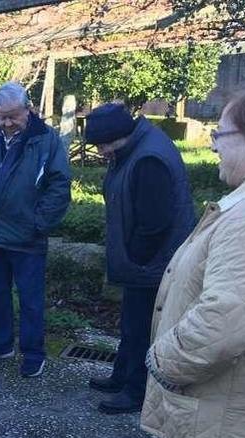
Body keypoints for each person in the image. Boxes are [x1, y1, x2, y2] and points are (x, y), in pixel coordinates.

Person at [142, 81, 245, 438]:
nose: (214, 144)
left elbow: (226, 322)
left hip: (235, 431)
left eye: (221, 133)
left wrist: (162, 361)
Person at [83, 103, 196, 414]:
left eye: (104, 145)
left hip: (152, 264)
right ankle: (121, 377)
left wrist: (134, 257)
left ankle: (136, 392)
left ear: (118, 136)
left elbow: (155, 222)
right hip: (145, 263)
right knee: (131, 324)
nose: (102, 151)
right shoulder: (133, 148)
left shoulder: (148, 159)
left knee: (144, 328)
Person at [0, 81, 71, 378]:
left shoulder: (46, 140)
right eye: (1, 116)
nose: (6, 123)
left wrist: (40, 224)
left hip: (27, 234)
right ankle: (0, 344)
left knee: (31, 298)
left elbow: (59, 186)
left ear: (28, 109)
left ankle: (33, 352)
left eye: (13, 116)